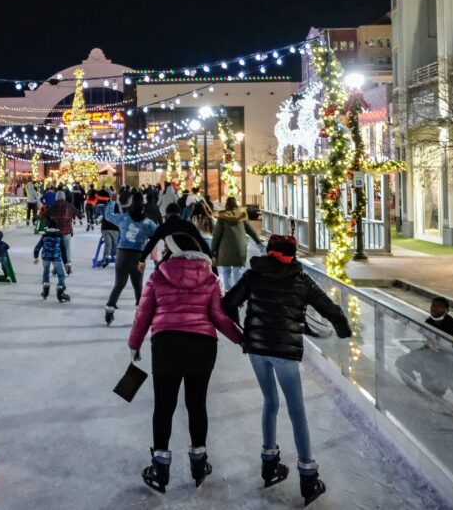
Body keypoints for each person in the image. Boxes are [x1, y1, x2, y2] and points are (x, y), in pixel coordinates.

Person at [222, 234, 352, 505]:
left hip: (257, 350)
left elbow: (228, 303)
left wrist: (244, 333)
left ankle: (269, 463)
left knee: (270, 402)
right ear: (292, 255)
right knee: (296, 410)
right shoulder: (301, 280)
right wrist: (344, 331)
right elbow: (330, 309)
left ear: (269, 252)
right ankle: (307, 474)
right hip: (283, 353)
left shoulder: (253, 275)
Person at [130, 232, 242, 494]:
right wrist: (241, 339)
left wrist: (134, 344)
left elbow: (143, 314)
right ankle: (199, 462)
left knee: (164, 406)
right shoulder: (211, 278)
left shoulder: (158, 276)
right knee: (196, 403)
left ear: (171, 251)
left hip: (167, 345)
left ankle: (160, 466)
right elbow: (219, 316)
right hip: (202, 347)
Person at [103, 192, 159, 326]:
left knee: (119, 285)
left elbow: (108, 216)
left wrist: (112, 202)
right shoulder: (148, 223)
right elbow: (157, 234)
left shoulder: (124, 218)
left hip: (122, 254)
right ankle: (140, 316)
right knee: (138, 287)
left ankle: (109, 310)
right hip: (138, 257)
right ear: (143, 207)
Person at [212, 197, 263, 293]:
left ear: (226, 205)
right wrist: (258, 242)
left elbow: (216, 235)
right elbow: (250, 230)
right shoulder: (242, 214)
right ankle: (236, 292)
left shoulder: (222, 217)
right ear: (236, 204)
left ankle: (227, 291)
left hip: (224, 249)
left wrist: (212, 250)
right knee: (237, 271)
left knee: (226, 271)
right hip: (239, 248)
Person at [33, 225, 70, 302]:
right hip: (56, 257)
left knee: (46, 272)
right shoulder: (60, 236)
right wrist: (66, 263)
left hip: (46, 257)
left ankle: (45, 290)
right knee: (61, 274)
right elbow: (63, 250)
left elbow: (37, 247)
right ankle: (60, 291)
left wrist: (36, 257)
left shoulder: (45, 235)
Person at [45, 190, 79, 271]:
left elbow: (44, 214)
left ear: (56, 197)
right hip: (67, 231)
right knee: (67, 248)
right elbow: (79, 214)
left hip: (56, 232)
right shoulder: (69, 206)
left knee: (57, 249)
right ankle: (68, 264)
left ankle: (57, 267)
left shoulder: (54, 206)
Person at [96, 191, 119, 267]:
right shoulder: (117, 206)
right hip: (114, 228)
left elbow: (103, 217)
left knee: (108, 243)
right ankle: (115, 258)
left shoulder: (107, 206)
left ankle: (106, 257)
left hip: (105, 228)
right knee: (115, 243)